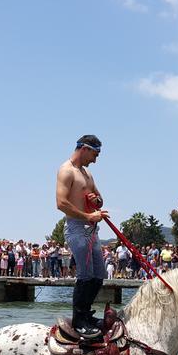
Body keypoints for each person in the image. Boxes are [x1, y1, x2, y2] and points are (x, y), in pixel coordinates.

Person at [56, 134, 108, 335]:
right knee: (85, 274)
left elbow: (100, 199)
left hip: (91, 228)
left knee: (99, 275)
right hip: (77, 228)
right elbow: (61, 203)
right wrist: (88, 215)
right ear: (84, 149)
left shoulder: (86, 173)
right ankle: (78, 320)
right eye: (94, 154)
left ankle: (85, 314)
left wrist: (97, 202)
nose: (95, 160)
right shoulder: (66, 171)